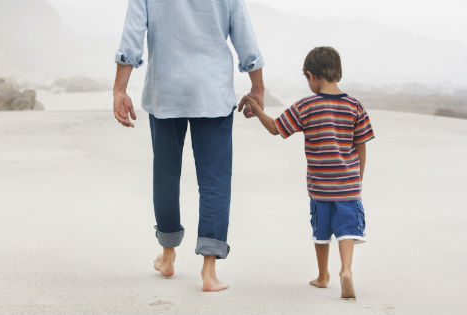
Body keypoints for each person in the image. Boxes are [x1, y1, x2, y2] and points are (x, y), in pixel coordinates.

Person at [112, 0, 264, 292]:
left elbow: (131, 37)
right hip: (212, 92)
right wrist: (257, 86)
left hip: (166, 91)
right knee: (215, 180)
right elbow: (244, 35)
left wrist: (120, 88)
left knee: (166, 175)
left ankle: (168, 256)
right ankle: (209, 270)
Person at [239, 47, 375, 299]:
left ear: (312, 76)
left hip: (320, 187)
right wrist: (359, 178)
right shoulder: (355, 106)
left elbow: (275, 128)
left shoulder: (306, 106)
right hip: (348, 187)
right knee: (347, 229)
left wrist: (256, 108)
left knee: (321, 232)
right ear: (338, 73)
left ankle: (323, 276)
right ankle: (346, 270)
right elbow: (361, 145)